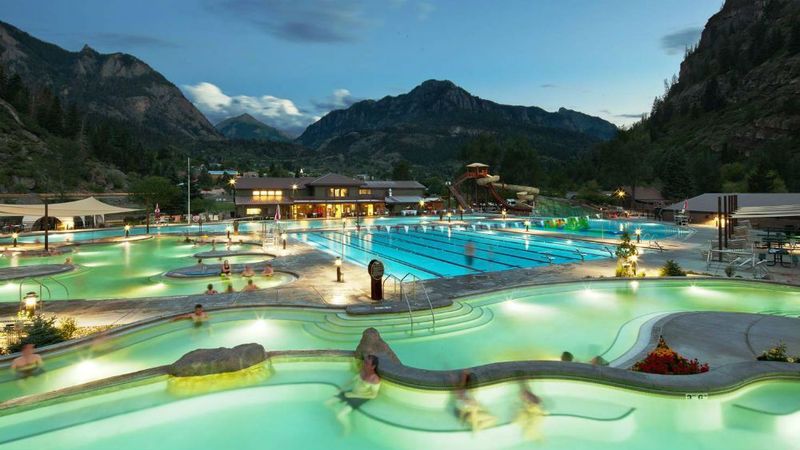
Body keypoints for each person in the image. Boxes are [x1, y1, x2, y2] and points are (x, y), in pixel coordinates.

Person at [327, 355, 381, 433]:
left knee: (340, 415)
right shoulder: (362, 371)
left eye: (366, 363)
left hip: (361, 397)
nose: (363, 364)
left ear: (373, 366)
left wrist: (353, 395)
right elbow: (352, 380)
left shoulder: (375, 379)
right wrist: (341, 388)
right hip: (352, 392)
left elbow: (373, 395)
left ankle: (348, 429)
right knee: (327, 403)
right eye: (364, 361)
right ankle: (337, 411)